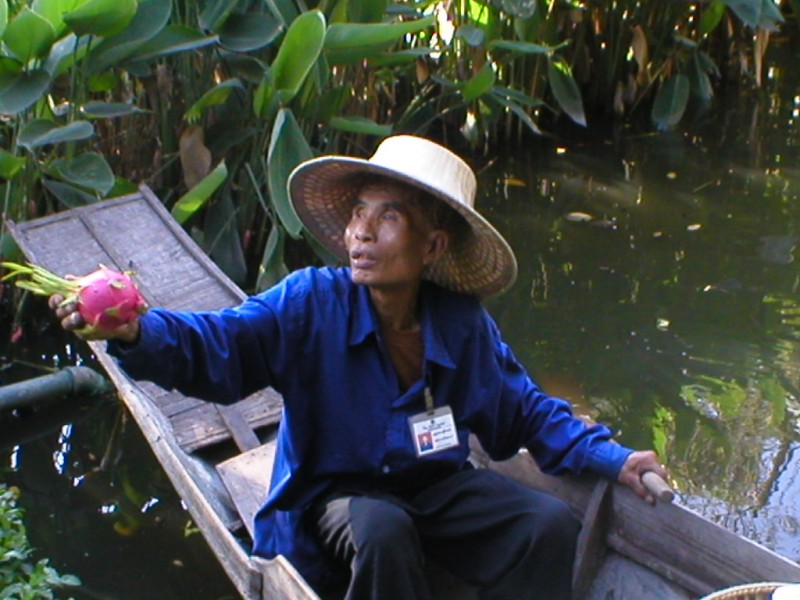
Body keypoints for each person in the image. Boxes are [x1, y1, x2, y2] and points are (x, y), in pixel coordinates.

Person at [50, 135, 667, 600]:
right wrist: (135, 330)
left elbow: (525, 410)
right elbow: (220, 344)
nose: (360, 234)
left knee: (550, 524)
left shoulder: (461, 324)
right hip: (333, 495)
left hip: (434, 489)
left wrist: (615, 459)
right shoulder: (310, 302)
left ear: (432, 247)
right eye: (357, 214)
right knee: (381, 528)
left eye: (388, 216)